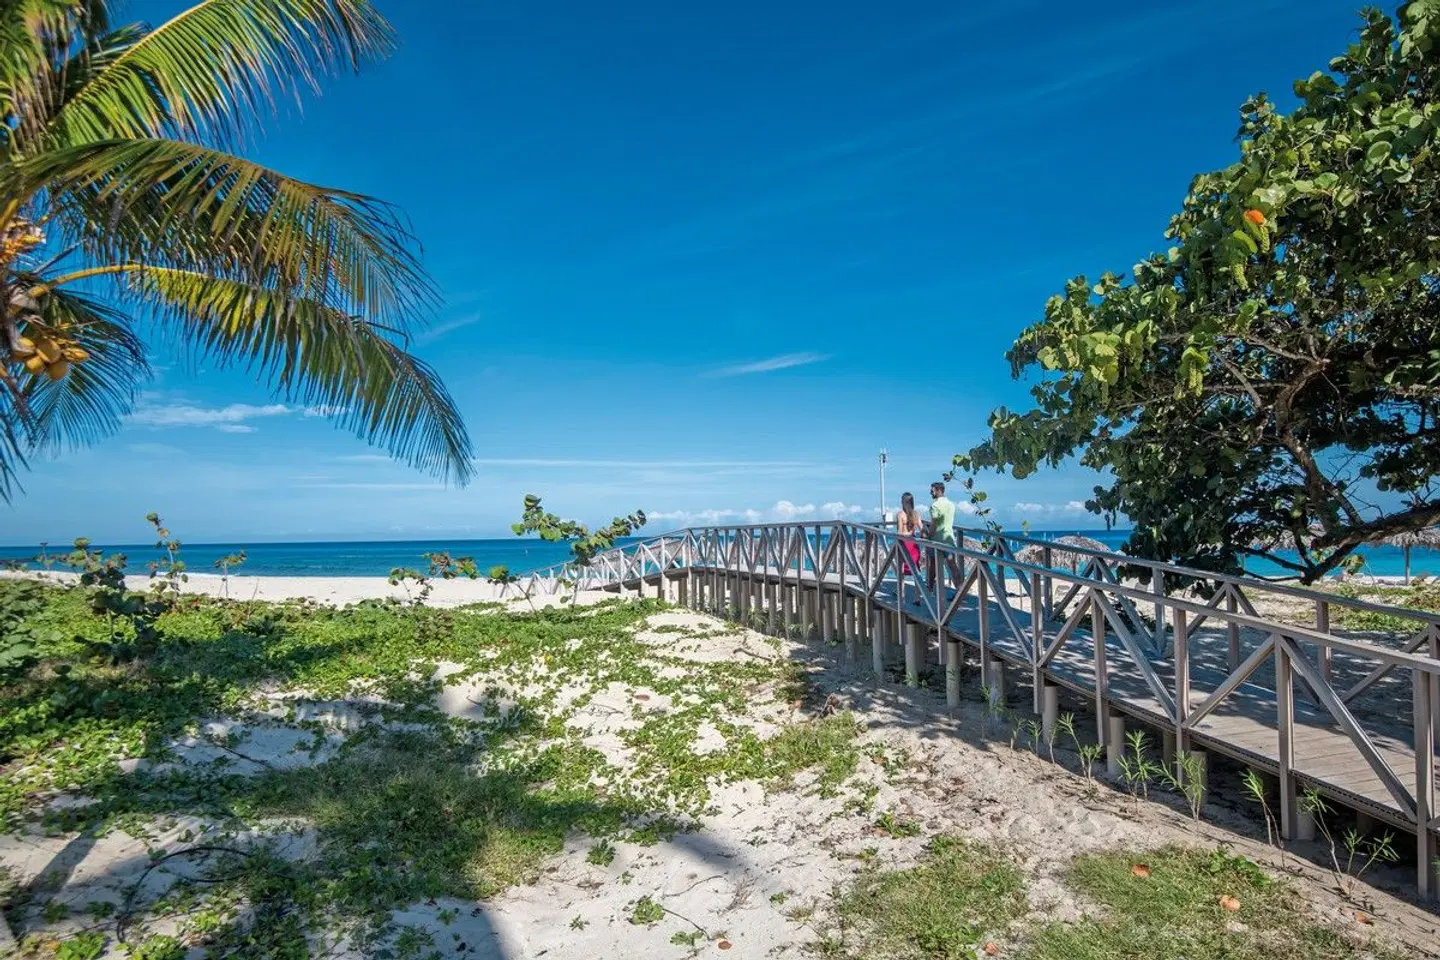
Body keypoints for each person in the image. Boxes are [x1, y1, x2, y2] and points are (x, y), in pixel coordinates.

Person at [897, 492, 923, 574]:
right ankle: (918, 586)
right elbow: (922, 529)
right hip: (913, 543)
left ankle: (901, 586)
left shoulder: (900, 515)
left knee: (901, 569)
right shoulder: (916, 514)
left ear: (903, 502)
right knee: (915, 567)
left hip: (904, 543)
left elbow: (899, 532)